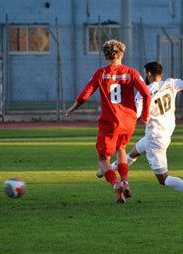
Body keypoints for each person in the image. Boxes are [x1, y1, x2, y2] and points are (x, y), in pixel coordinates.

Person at [98, 61, 183, 198]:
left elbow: (135, 116)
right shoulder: (171, 83)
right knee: (134, 152)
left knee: (163, 179)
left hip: (155, 140)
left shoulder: (144, 92)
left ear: (148, 74)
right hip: (163, 135)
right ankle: (105, 170)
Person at [65, 40, 151, 203]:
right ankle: (125, 182)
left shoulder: (101, 73)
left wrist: (74, 107)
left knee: (102, 159)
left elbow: (86, 93)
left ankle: (115, 184)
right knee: (121, 149)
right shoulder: (132, 72)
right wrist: (145, 116)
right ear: (122, 54)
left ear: (105, 55)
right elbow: (146, 94)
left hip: (110, 122)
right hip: (128, 121)